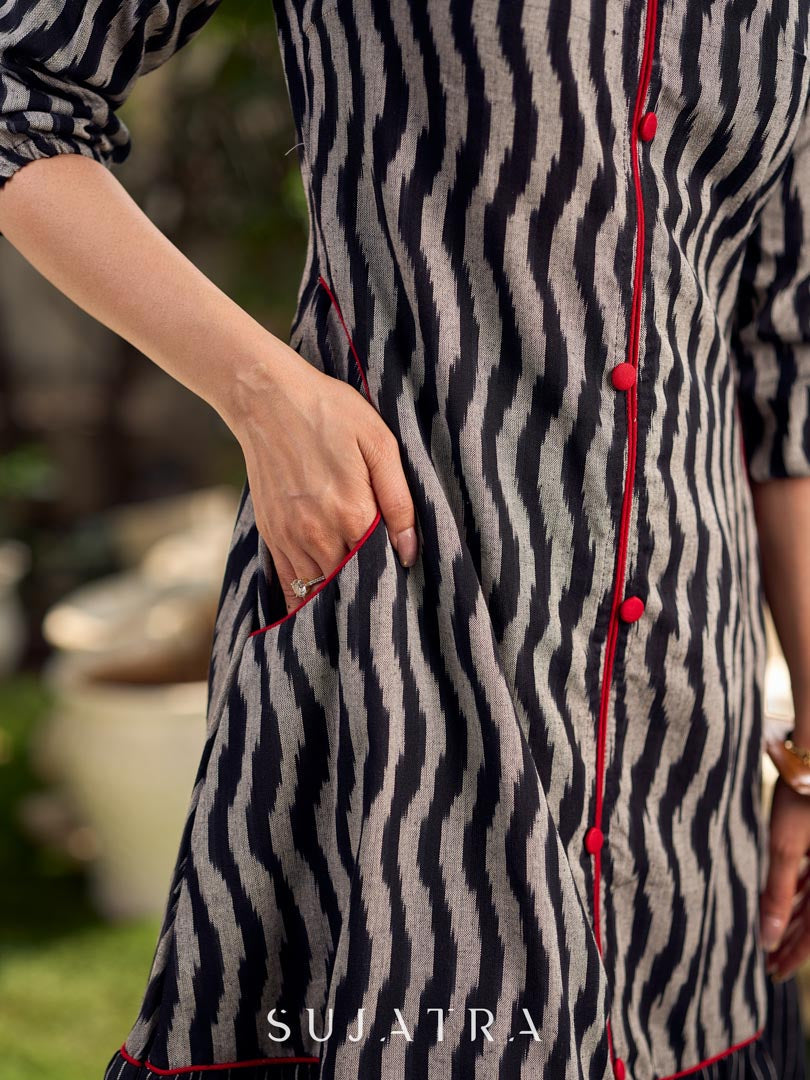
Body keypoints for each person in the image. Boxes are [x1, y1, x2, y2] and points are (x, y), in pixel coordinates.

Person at [1, 0, 809, 1077]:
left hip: (685, 743)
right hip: (417, 662)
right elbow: (20, 93)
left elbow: (782, 356)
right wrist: (265, 396)